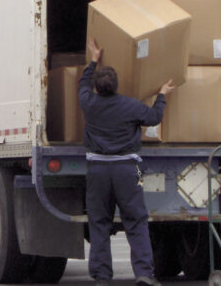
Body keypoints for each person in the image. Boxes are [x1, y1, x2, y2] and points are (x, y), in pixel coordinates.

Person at [79, 37, 175, 286]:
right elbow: (154, 117)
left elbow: (82, 85)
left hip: (97, 170)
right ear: (117, 85)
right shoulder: (130, 106)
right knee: (135, 221)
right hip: (126, 170)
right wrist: (162, 95)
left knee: (99, 222)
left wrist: (93, 60)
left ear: (97, 88)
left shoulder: (89, 103)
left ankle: (102, 277)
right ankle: (144, 274)